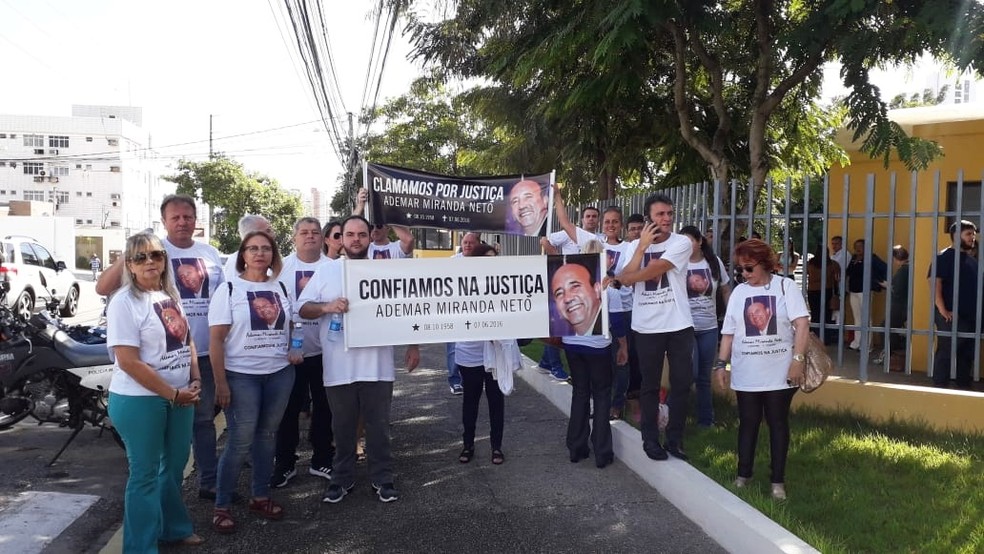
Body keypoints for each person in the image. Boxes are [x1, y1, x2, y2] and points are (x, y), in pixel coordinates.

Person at [96, 194, 226, 502]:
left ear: (196, 220)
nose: (182, 222)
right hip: (154, 367)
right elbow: (103, 288)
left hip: (200, 354)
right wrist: (135, 252)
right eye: (175, 217)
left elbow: (223, 302)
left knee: (204, 421)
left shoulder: (210, 254)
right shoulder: (152, 249)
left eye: (188, 216)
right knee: (153, 457)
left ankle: (209, 481)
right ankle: (153, 519)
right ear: (164, 221)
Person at [297, 216, 420, 504]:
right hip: (339, 366)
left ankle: (383, 478)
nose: (355, 239)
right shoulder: (327, 272)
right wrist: (327, 306)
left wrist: (413, 344)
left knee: (378, 427)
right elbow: (302, 308)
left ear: (369, 237)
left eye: (361, 234)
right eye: (349, 234)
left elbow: (408, 307)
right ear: (340, 239)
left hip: (377, 366)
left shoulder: (384, 270)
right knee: (342, 427)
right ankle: (342, 478)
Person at [106, 232, 204, 550]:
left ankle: (172, 528)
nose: (150, 262)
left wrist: (196, 378)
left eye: (156, 255)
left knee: (174, 468)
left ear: (164, 260)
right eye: (140, 257)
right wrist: (172, 394)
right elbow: (129, 362)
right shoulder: (124, 302)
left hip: (179, 396)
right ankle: (140, 547)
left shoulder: (168, 294)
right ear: (129, 265)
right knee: (145, 475)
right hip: (140, 401)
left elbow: (186, 339)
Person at [208, 230, 300, 533]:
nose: (260, 253)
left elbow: (291, 326)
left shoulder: (282, 287)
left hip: (279, 374)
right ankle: (221, 504)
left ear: (273, 254)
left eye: (265, 248)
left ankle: (260, 496)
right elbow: (216, 340)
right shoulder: (230, 288)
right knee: (239, 441)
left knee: (267, 437)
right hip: (241, 376)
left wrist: (294, 348)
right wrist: (220, 383)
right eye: (252, 249)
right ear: (242, 254)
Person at [714, 238, 810, 501]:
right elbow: (729, 333)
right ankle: (743, 474)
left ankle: (777, 481)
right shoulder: (739, 293)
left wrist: (797, 360)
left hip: (780, 371)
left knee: (778, 423)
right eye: (740, 270)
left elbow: (802, 325)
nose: (744, 274)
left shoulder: (785, 286)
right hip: (747, 372)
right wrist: (721, 364)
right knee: (748, 423)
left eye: (749, 268)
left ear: (765, 264)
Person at [610, 193, 694, 462]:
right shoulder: (634, 246)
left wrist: (625, 279)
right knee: (649, 385)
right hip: (646, 327)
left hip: (679, 324)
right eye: (660, 215)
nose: (667, 219)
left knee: (681, 383)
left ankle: (674, 439)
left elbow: (651, 271)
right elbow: (624, 276)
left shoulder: (682, 242)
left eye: (669, 213)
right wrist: (640, 248)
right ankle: (650, 439)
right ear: (649, 218)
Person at [272, 217, 335, 488]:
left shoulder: (334, 268)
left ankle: (322, 459)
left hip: (326, 352)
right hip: (289, 355)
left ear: (323, 238)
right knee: (288, 411)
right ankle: (285, 463)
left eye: (315, 232)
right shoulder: (280, 268)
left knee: (325, 408)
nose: (310, 236)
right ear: (294, 237)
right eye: (304, 232)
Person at [564, 239, 627, 468]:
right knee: (602, 395)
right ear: (604, 258)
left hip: (572, 343)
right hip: (598, 346)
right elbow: (618, 323)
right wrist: (623, 346)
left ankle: (576, 447)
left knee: (580, 393)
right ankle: (602, 451)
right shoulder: (611, 288)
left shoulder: (571, 284)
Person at [455, 242, 510, 466]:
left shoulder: (504, 285)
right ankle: (468, 444)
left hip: (494, 353)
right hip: (469, 353)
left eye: (493, 259)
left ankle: (496, 446)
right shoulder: (462, 285)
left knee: (496, 402)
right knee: (471, 401)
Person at [678, 225, 731, 428]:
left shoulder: (713, 262)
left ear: (700, 241)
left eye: (690, 240)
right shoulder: (677, 264)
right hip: (686, 327)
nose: (686, 245)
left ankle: (706, 421)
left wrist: (731, 317)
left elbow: (725, 289)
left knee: (704, 377)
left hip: (709, 327)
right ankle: (675, 413)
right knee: (689, 372)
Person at [930, 220, 978, 389]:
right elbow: (935, 284)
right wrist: (942, 309)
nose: (973, 238)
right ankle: (940, 385)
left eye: (973, 234)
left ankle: (963, 386)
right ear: (957, 236)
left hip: (971, 317)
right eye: (968, 234)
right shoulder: (943, 257)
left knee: (967, 353)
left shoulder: (971, 260)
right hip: (950, 314)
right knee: (947, 350)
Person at [600, 208, 634, 421]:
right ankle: (604, 399)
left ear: (621, 225)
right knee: (604, 360)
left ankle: (618, 403)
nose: (611, 225)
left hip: (626, 308)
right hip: (602, 309)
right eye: (607, 222)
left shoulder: (629, 248)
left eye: (615, 221)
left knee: (622, 359)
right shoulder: (596, 244)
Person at [445, 232, 482, 396]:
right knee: (454, 347)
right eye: (465, 242)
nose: (467, 245)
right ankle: (454, 380)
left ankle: (474, 379)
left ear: (478, 244)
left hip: (476, 311)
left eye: (471, 243)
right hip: (455, 311)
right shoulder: (453, 262)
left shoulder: (484, 262)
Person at [845, 239, 887, 350]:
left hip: (865, 291)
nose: (858, 248)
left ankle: (867, 345)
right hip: (853, 291)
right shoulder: (854, 258)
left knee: (866, 318)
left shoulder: (871, 258)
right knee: (857, 318)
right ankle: (857, 342)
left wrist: (878, 282)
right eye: (856, 246)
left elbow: (884, 268)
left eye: (860, 246)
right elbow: (848, 272)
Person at [549, 259, 603, 336]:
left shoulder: (610, 324)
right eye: (559, 293)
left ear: (597, 290)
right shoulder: (567, 339)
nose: (568, 299)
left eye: (575, 286)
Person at [883, 244, 910, 368]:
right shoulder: (909, 268)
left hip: (900, 306)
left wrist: (888, 286)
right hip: (905, 305)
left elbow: (898, 290)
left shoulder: (904, 270)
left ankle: (891, 354)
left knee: (886, 328)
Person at [805, 246, 839, 344]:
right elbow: (836, 280)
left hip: (813, 291)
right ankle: (826, 338)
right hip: (827, 290)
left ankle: (813, 338)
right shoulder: (833, 264)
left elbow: (808, 275)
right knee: (827, 315)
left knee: (815, 314)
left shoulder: (810, 264)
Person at [223, 214, 274, 280]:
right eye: (268, 231)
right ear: (252, 233)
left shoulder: (270, 257)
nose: (273, 235)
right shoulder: (236, 261)